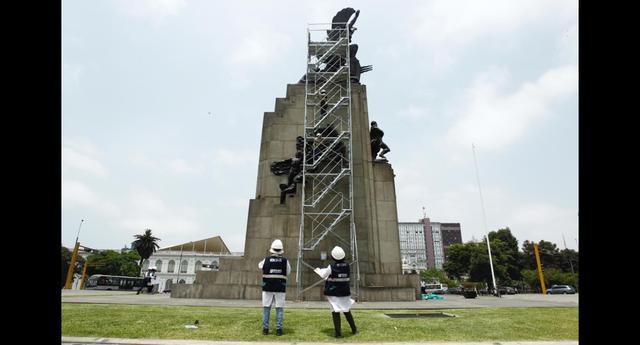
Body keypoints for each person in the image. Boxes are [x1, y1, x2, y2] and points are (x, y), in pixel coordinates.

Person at [314, 246, 357, 338]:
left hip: (334, 293)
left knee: (335, 311)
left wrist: (318, 271)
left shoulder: (331, 267)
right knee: (347, 311)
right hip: (345, 292)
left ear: (333, 257)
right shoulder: (347, 266)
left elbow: (324, 274)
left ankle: (338, 333)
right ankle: (354, 330)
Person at [258, 239, 291, 336]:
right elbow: (288, 272)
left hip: (267, 287)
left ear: (272, 249)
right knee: (279, 309)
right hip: (280, 288)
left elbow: (260, 266)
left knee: (266, 308)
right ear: (281, 250)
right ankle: (279, 330)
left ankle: (265, 329)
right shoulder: (285, 261)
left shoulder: (266, 260)